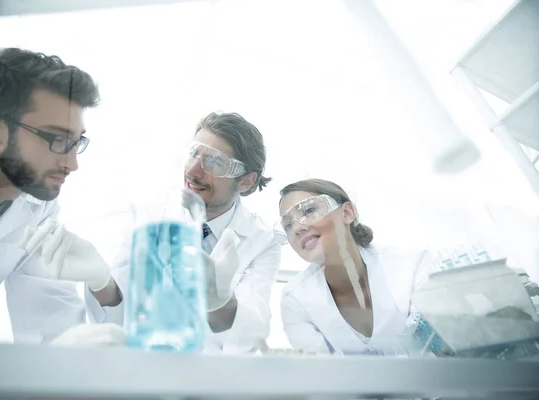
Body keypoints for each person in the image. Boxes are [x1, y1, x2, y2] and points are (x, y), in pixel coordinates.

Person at [0, 48, 123, 343]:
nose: (72, 164)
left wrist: (102, 282)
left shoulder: (37, 211)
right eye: (58, 139)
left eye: (77, 142)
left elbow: (55, 337)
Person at [72, 112, 282, 352]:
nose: (193, 171)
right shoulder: (151, 218)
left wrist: (220, 302)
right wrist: (100, 281)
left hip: (209, 377)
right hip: (142, 368)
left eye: (214, 162)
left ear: (245, 181)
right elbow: (115, 321)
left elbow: (251, 333)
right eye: (194, 154)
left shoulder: (262, 242)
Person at [277, 179, 432, 355]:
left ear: (347, 213)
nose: (297, 227)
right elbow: (320, 373)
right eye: (288, 225)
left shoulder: (413, 266)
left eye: (309, 210)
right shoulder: (295, 300)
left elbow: (441, 348)